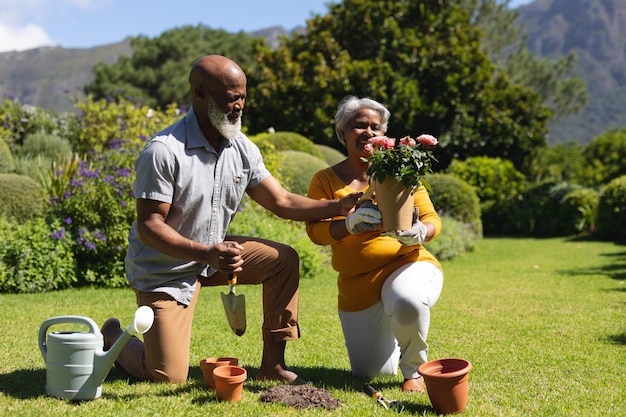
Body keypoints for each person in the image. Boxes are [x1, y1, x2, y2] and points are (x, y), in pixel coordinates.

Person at [100, 55, 361, 385]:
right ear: (200, 94)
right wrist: (206, 253)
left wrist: (339, 206)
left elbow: (281, 201)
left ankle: (273, 366)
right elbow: (149, 226)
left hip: (214, 257)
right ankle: (113, 336)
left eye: (242, 97)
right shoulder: (163, 151)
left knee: (283, 260)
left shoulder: (242, 148)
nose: (238, 106)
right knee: (167, 376)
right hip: (163, 271)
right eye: (230, 98)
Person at [305, 96, 444, 393]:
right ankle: (396, 331)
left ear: (384, 135)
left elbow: (433, 220)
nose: (368, 132)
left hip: (407, 263)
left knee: (407, 300)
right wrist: (349, 224)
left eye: (375, 127)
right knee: (371, 372)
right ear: (342, 132)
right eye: (359, 126)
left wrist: (420, 230)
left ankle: (414, 372)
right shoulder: (325, 180)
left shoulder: (402, 170)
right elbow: (316, 232)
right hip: (358, 284)